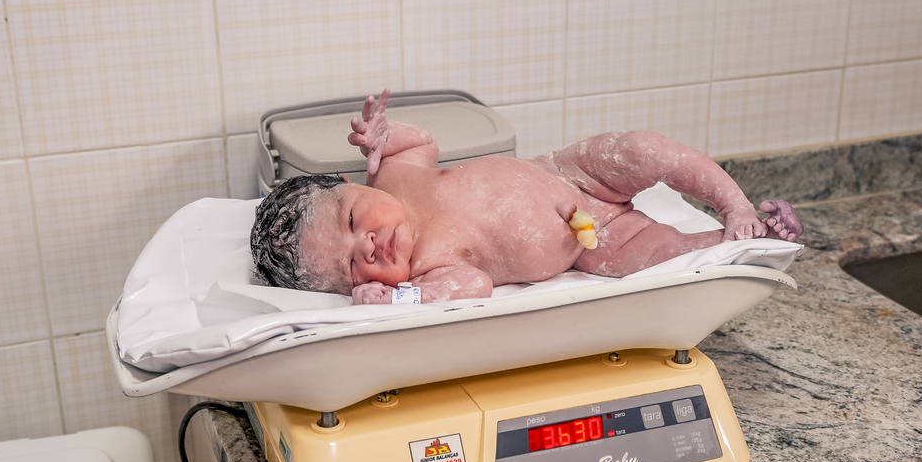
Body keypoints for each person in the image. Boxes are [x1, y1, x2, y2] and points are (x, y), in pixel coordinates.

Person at [251, 90, 802, 304]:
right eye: (353, 267)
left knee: (641, 148)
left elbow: (422, 143)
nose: (368, 246)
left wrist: (384, 137)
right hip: (592, 244)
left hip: (569, 172)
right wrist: (401, 300)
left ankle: (735, 203)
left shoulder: (393, 177)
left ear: (351, 184)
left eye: (352, 221)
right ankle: (746, 240)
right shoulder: (422, 269)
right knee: (661, 256)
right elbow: (474, 285)